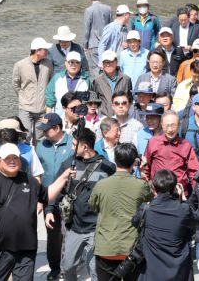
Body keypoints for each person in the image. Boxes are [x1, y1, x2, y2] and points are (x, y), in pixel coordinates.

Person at [0, 143, 49, 280]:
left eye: (15, 158)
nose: (12, 161)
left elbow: (46, 195)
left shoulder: (29, 180)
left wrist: (63, 178)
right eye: (8, 158)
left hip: (26, 248)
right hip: (0, 249)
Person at [48, 128, 116, 281]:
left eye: (74, 144)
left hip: (97, 228)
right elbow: (58, 190)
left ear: (84, 146)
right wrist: (50, 209)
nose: (72, 147)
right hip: (75, 227)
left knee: (94, 270)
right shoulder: (68, 165)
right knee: (67, 266)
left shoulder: (107, 167)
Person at [89, 143, 153, 281]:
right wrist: (142, 173)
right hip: (131, 249)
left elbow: (93, 207)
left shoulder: (101, 184)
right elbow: (150, 202)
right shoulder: (141, 185)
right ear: (134, 161)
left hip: (106, 246)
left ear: (115, 159)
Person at [34, 113, 76, 280]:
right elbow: (37, 172)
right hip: (48, 198)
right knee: (53, 235)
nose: (43, 133)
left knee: (71, 234)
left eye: (46, 130)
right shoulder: (40, 146)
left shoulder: (73, 144)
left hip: (69, 197)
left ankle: (70, 266)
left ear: (57, 128)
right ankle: (54, 268)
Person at [136, 169, 197, 280]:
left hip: (152, 272)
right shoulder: (183, 209)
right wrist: (183, 199)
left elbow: (135, 222)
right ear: (175, 188)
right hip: (178, 272)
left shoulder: (146, 209)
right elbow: (194, 222)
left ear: (154, 189)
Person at [143, 110, 199, 198]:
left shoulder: (186, 145)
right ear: (162, 125)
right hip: (157, 193)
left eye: (173, 125)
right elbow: (145, 168)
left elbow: (194, 172)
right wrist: (150, 187)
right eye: (167, 126)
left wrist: (197, 195)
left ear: (179, 125)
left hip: (178, 193)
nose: (170, 129)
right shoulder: (153, 142)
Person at [13, 37, 54, 141]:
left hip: (43, 109)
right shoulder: (20, 65)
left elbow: (51, 83)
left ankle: (38, 156)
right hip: (26, 108)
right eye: (45, 49)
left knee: (40, 138)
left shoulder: (48, 64)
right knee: (26, 135)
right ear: (37, 51)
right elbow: (16, 85)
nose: (47, 51)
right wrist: (24, 97)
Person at [83, 0, 112, 76]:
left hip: (94, 44)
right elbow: (111, 27)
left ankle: (99, 88)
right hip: (107, 44)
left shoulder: (88, 10)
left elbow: (86, 29)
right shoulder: (108, 9)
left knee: (96, 69)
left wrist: (85, 45)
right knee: (108, 67)